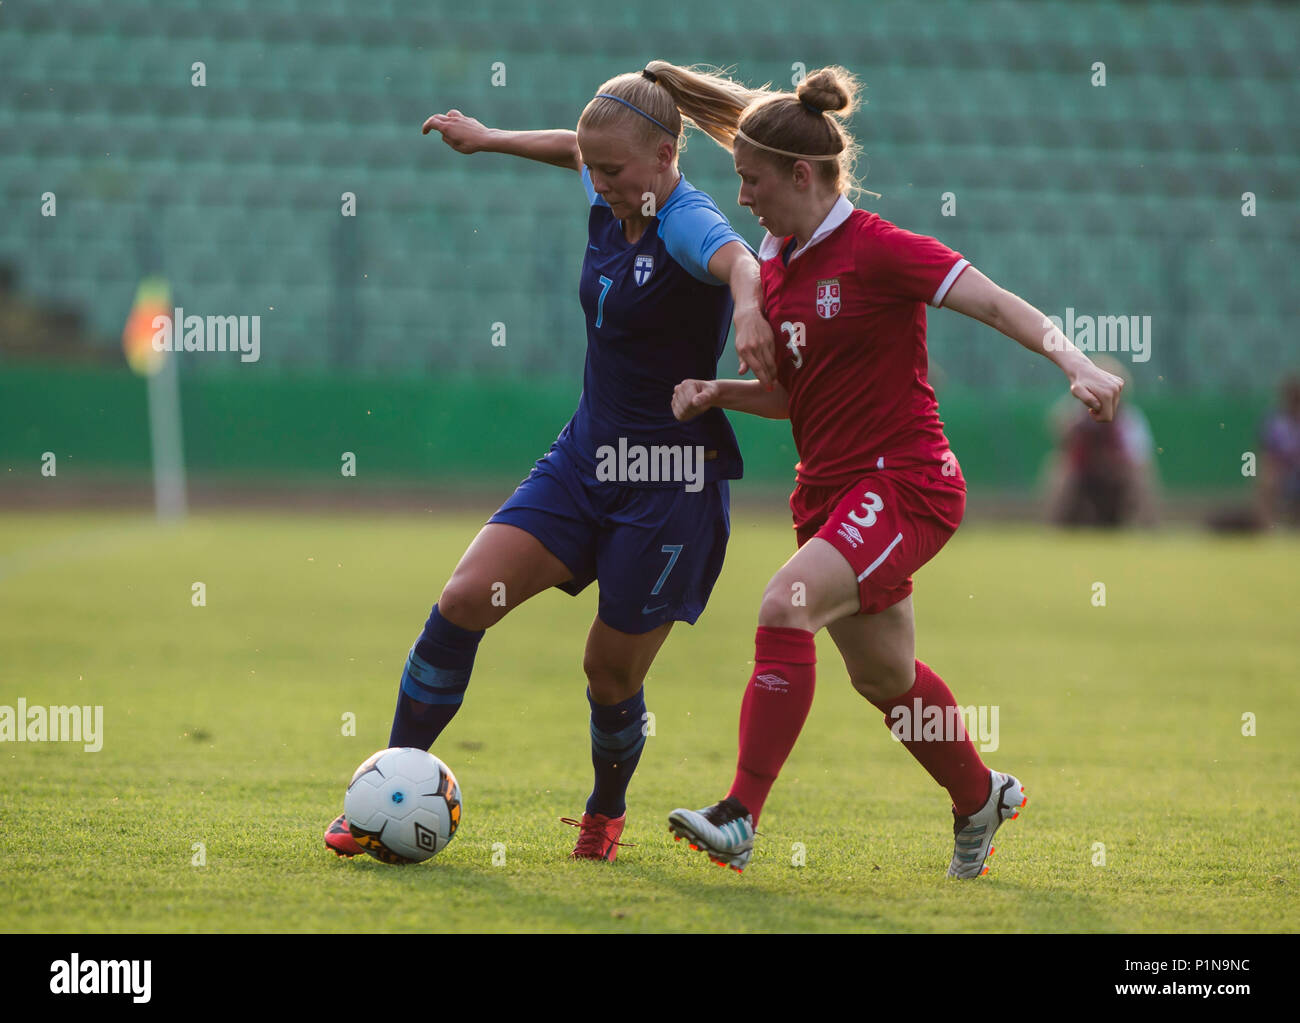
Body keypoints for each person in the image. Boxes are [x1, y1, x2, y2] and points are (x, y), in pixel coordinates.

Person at [665, 66, 1124, 877]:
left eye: (753, 181)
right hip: (830, 491)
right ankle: (980, 795)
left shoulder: (878, 250)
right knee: (885, 678)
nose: (743, 199)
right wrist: (722, 393)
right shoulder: (780, 261)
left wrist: (1075, 363)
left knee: (784, 605)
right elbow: (790, 395)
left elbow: (991, 301)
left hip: (904, 483)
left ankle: (739, 815)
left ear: (802, 176)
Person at [326, 62, 781, 862]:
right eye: (592, 165)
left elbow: (739, 260)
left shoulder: (683, 219)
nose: (596, 180)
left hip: (667, 486)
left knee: (608, 675)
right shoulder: (613, 187)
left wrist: (748, 305)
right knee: (465, 597)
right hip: (586, 456)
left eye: (611, 170)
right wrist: (487, 138)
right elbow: (572, 152)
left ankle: (605, 811)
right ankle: (386, 787)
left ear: (667, 157)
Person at [1043, 354, 1160, 527]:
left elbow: (1139, 459)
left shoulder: (1128, 420)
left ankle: (1151, 529)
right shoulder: (1077, 412)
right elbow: (1059, 436)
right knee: (1057, 469)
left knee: (1142, 477)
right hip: (1083, 473)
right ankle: (1053, 527)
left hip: (1115, 476)